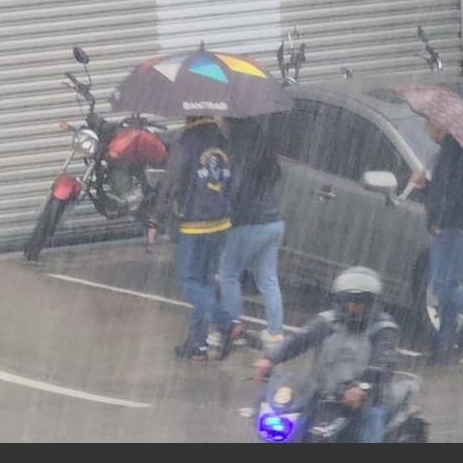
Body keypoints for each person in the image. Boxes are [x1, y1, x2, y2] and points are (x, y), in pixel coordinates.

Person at [252, 267, 400, 443]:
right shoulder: (328, 322)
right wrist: (270, 359)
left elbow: (384, 364)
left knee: (369, 430)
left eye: (361, 304)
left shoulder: (383, 329)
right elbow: (298, 340)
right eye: (350, 303)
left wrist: (362, 387)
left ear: (373, 304)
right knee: (281, 427)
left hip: (368, 402)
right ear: (340, 301)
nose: (354, 309)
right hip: (323, 396)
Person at [149, 115, 233, 362]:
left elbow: (171, 182)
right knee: (205, 284)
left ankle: (226, 324)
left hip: (196, 223)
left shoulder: (186, 143)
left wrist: (155, 219)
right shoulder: (223, 141)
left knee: (188, 281)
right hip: (221, 221)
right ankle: (198, 345)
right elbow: (231, 179)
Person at [410, 119, 463, 365]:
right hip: (462, 226)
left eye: (428, 125)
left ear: (440, 127)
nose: (426, 130)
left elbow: (451, 194)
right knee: (447, 287)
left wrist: (440, 219)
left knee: (443, 285)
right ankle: (446, 343)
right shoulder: (452, 153)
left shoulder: (454, 155)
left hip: (455, 228)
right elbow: (445, 192)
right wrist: (425, 187)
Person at [213, 116, 286, 360]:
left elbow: (237, 186)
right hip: (274, 220)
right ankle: (275, 334)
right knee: (268, 278)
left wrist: (225, 203)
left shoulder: (239, 148)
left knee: (229, 274)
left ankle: (232, 328)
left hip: (248, 222)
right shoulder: (265, 148)